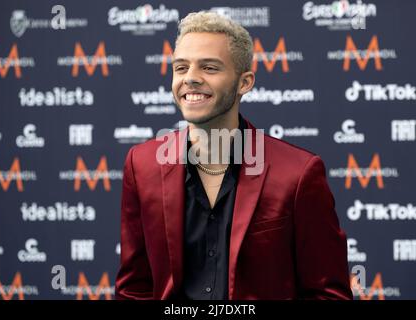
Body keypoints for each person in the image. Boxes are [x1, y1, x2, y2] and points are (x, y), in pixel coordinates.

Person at [115, 11, 353, 300]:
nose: (190, 78)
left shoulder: (298, 174)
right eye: (181, 68)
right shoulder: (141, 166)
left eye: (209, 68)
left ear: (245, 82)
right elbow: (134, 289)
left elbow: (327, 294)